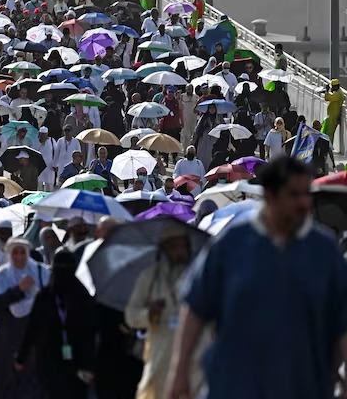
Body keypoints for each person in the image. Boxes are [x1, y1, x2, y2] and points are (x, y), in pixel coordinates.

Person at [167, 156, 347, 399]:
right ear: (271, 196)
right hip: (235, 386)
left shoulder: (324, 251)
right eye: (293, 195)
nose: (304, 203)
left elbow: (341, 322)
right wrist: (179, 373)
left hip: (305, 386)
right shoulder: (232, 244)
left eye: (306, 193)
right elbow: (195, 308)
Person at [126, 224, 202, 399]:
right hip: (160, 356)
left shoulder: (199, 276)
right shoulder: (150, 278)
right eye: (174, 247)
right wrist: (149, 314)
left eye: (183, 246)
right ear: (164, 249)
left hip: (196, 357)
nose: (180, 252)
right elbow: (131, 315)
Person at [15, 249, 97, 399]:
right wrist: (89, 364)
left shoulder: (46, 295)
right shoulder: (82, 295)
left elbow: (32, 329)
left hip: (52, 359)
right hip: (70, 359)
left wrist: (21, 357)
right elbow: (91, 332)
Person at [0, 238, 49, 399]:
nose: (19, 257)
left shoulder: (41, 272)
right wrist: (18, 290)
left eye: (23, 252)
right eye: (15, 252)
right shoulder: (1, 275)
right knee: (4, 382)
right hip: (8, 337)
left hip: (35, 337)